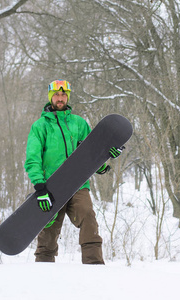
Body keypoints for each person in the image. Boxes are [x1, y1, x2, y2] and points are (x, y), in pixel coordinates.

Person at [24, 79, 122, 264]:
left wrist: (106, 156)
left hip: (78, 184)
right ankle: (43, 271)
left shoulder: (79, 124)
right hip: (51, 186)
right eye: (56, 95)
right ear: (50, 97)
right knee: (48, 229)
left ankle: (94, 266)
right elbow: (33, 158)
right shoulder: (40, 126)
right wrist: (40, 187)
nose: (60, 98)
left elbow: (91, 154)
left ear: (67, 97)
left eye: (63, 95)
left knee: (88, 217)